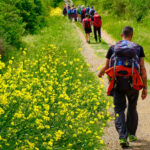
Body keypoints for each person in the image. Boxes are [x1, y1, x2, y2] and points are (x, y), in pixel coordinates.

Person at [98, 26, 147, 148]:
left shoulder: (113, 48)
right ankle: (131, 134)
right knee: (132, 106)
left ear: (121, 35)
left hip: (117, 83)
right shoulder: (138, 48)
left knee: (119, 109)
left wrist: (100, 73)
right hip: (133, 83)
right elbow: (142, 69)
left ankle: (123, 137)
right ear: (132, 35)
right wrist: (145, 87)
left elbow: (107, 66)